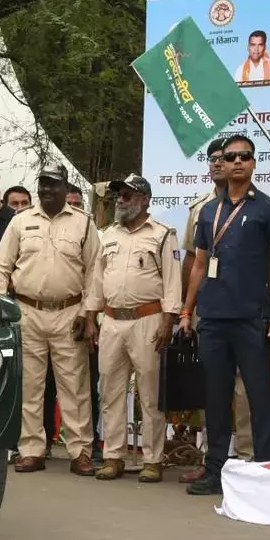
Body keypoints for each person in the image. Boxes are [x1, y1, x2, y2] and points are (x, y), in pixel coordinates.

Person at [178, 134, 270, 496]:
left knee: (259, 394)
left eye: (245, 156)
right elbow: (198, 264)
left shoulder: (268, 209)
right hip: (212, 317)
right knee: (215, 395)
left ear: (254, 163)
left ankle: (265, 471)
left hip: (251, 316)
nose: (238, 162)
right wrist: (186, 311)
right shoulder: (208, 211)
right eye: (231, 157)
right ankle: (215, 469)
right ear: (221, 164)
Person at [0, 162, 101, 476]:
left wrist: (88, 313)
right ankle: (31, 450)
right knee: (29, 386)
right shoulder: (20, 221)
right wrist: (4, 307)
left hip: (70, 313)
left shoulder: (83, 223)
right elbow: (1, 267)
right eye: (42, 184)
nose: (45, 190)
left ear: (66, 188)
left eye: (52, 184)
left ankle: (80, 451)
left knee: (75, 387)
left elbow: (95, 272)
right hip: (27, 312)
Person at [84, 175, 181, 483]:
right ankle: (113, 457)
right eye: (118, 196)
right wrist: (90, 317)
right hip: (111, 321)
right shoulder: (107, 235)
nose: (120, 200)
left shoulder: (163, 234)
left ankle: (153, 459)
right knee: (110, 392)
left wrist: (169, 319)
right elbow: (97, 281)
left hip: (148, 320)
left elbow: (172, 280)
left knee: (150, 394)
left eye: (127, 195)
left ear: (145, 200)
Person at [179, 137, 255, 486]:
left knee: (243, 388)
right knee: (214, 387)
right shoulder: (201, 208)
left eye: (223, 158)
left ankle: (247, 461)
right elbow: (193, 263)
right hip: (207, 309)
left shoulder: (256, 206)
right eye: (212, 159)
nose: (217, 164)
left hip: (244, 310)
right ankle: (215, 462)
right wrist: (185, 309)